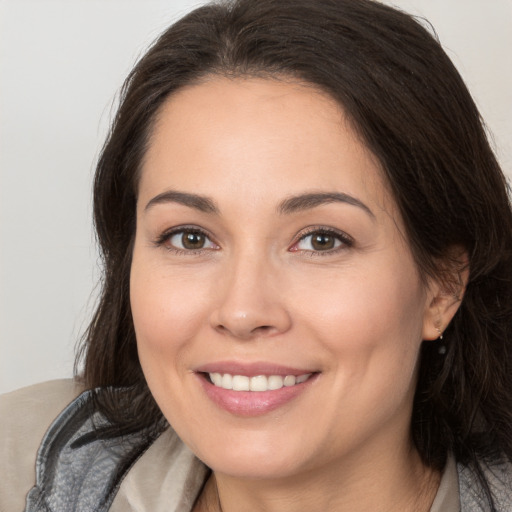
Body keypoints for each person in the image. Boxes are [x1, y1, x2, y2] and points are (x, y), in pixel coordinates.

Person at [1, 0, 511, 510]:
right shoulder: (16, 464)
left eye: (321, 240)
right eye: (190, 237)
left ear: (442, 286)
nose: (242, 311)